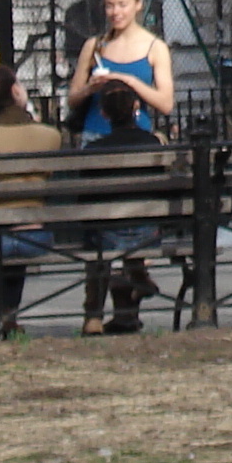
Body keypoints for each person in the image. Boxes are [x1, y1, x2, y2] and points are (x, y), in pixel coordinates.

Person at [0, 67, 64, 338]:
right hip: (36, 236)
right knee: (15, 246)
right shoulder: (49, 135)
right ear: (16, 92)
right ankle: (7, 316)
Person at [77, 82, 164, 334]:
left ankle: (93, 316)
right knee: (132, 240)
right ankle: (137, 278)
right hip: (148, 234)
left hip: (107, 234)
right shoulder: (152, 144)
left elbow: (85, 199)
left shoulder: (93, 150)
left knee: (99, 250)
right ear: (136, 107)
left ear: (104, 113)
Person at [65, 0, 177, 141]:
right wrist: (90, 88)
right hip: (94, 135)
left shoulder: (155, 47)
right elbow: (72, 99)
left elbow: (166, 104)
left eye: (122, 5)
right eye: (109, 6)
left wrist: (129, 81)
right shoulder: (93, 46)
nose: (115, 12)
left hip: (137, 135)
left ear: (138, 4)